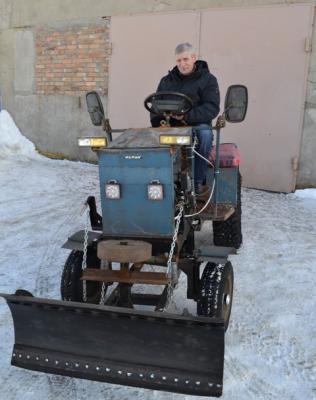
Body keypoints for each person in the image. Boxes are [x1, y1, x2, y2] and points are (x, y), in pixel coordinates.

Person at [151, 43, 220, 193]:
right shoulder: (166, 80)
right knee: (148, 138)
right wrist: (158, 120)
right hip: (170, 125)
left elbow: (211, 107)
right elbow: (155, 105)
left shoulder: (208, 79)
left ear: (194, 58)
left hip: (196, 124)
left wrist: (187, 116)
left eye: (185, 59)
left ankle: (197, 181)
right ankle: (156, 182)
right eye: (179, 60)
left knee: (205, 134)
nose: (182, 64)